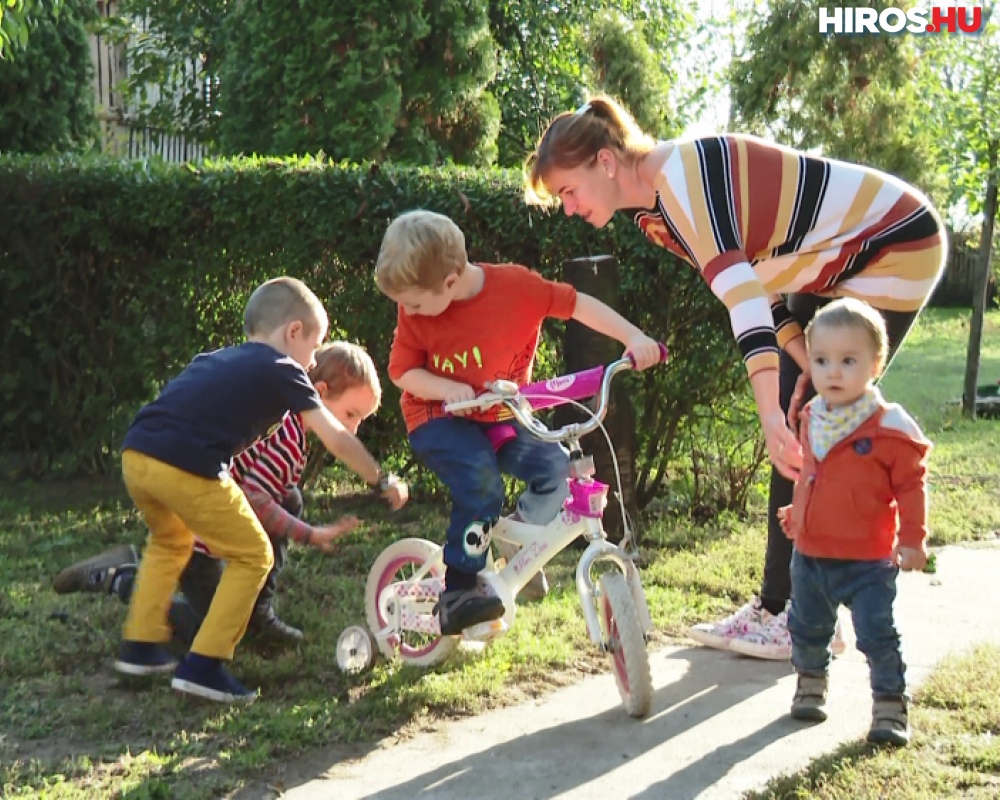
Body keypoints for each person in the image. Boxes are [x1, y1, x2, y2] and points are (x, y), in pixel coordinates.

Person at [523, 94, 946, 659]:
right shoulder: (657, 216)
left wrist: (773, 411)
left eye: (568, 192)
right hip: (829, 260)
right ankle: (792, 608)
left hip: (893, 244)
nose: (570, 209)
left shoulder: (679, 182)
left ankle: (793, 611)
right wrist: (792, 359)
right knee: (805, 413)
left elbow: (743, 295)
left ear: (604, 161)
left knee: (812, 420)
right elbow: (763, 286)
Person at [116, 277, 406, 703]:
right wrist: (381, 479)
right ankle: (204, 666)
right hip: (186, 464)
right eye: (314, 345)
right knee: (254, 554)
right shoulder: (285, 369)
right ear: (293, 332)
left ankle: (140, 646)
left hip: (138, 455)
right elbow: (338, 439)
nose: (312, 360)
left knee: (170, 540)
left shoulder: (216, 357)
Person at [375, 210, 661, 635]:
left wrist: (634, 337)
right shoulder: (416, 312)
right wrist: (445, 387)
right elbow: (402, 372)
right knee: (482, 482)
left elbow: (578, 304)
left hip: (502, 411)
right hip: (437, 415)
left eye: (413, 302)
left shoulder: (516, 288)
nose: (407, 310)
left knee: (558, 469)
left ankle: (517, 539)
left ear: (450, 282)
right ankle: (459, 589)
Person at [54, 342, 386, 647]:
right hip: (197, 541)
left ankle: (257, 614)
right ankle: (123, 578)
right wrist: (310, 534)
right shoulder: (287, 439)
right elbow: (256, 502)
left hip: (209, 518)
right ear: (321, 392)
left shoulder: (283, 419)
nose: (353, 429)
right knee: (211, 630)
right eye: (350, 415)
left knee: (290, 497)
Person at [776, 298, 930, 746]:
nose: (833, 372)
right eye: (822, 360)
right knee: (806, 626)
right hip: (811, 555)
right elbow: (812, 471)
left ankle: (889, 706)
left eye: (848, 360)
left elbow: (911, 488)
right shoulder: (813, 416)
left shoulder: (889, 428)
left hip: (867, 560)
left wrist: (913, 540)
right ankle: (810, 683)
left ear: (875, 364)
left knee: (877, 634)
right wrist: (798, 512)